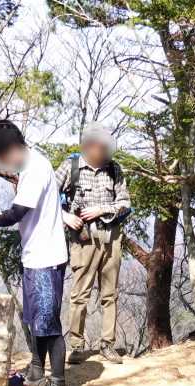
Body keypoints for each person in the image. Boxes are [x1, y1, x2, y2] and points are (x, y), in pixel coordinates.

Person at [0, 120, 70, 386]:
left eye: (2, 157)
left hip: (45, 258)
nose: (3, 163)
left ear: (13, 148)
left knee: (49, 325)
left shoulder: (36, 169)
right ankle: (36, 372)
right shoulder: (29, 166)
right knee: (35, 320)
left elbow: (17, 213)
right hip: (35, 256)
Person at [57, 123, 131, 365]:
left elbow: (125, 203)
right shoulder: (71, 166)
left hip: (111, 237)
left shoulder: (114, 169)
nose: (102, 150)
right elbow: (47, 196)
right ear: (88, 145)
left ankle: (107, 344)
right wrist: (65, 216)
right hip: (83, 239)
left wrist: (102, 209)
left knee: (110, 294)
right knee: (80, 294)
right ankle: (77, 346)